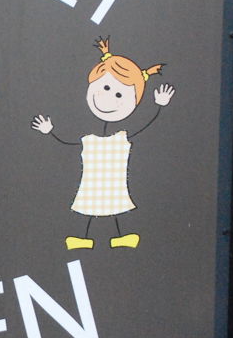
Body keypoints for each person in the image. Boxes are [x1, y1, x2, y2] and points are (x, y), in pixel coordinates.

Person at [31, 37, 174, 250]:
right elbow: (68, 141)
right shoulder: (89, 139)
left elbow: (144, 126)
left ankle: (120, 237)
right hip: (92, 183)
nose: (109, 99)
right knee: (90, 209)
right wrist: (50, 131)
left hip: (113, 183)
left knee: (115, 208)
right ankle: (83, 238)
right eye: (106, 87)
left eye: (119, 94)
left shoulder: (121, 136)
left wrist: (159, 106)